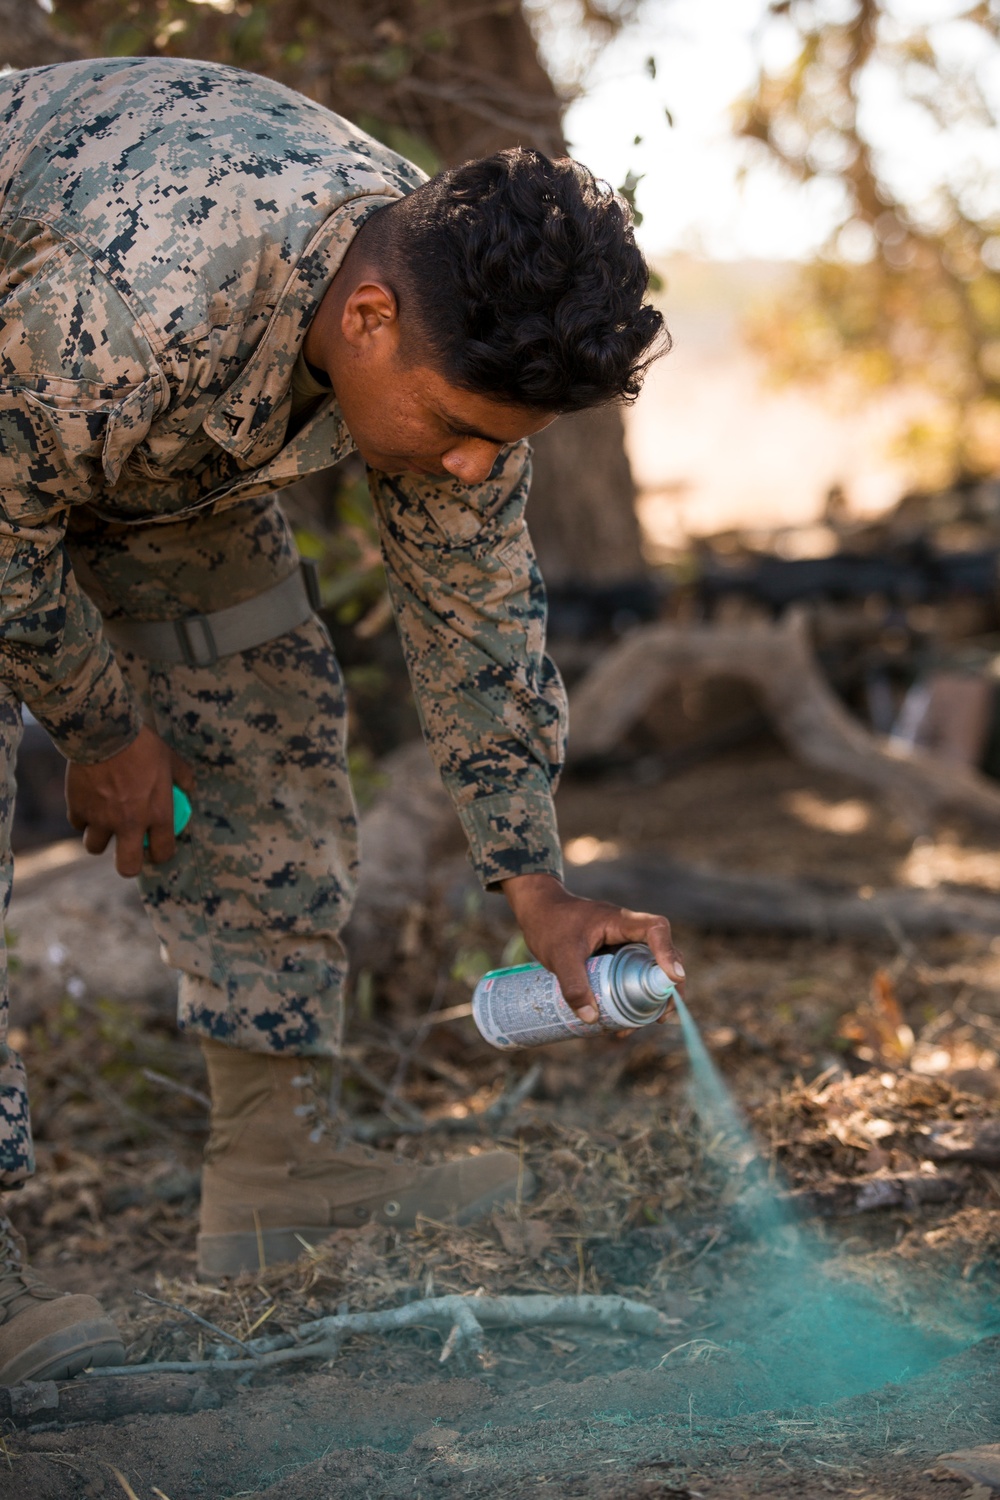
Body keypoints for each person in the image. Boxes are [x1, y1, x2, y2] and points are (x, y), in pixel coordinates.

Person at [0, 55, 682, 1383]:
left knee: (264, 704)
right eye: (455, 429)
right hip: (35, 402)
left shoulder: (451, 331)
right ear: (365, 318)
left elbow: (478, 619)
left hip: (125, 444)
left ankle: (274, 1174)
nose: (472, 464)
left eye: (501, 442)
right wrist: (102, 733)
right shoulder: (145, 298)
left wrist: (532, 884)